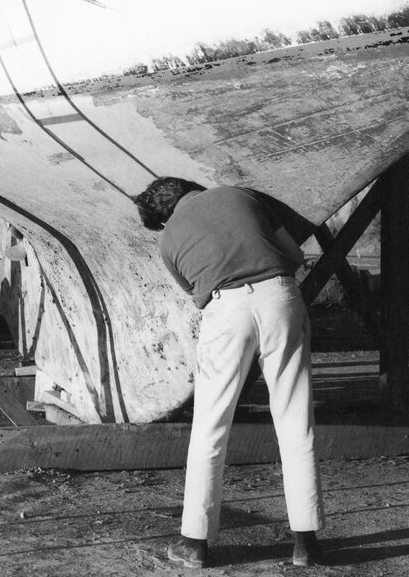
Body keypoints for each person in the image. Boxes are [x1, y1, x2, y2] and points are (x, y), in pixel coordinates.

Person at [134, 177, 324, 569]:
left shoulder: (169, 241)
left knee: (210, 427)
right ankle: (305, 544)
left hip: (225, 310)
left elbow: (195, 291)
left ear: (163, 218)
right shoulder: (241, 196)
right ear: (190, 187)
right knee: (295, 420)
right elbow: (294, 255)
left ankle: (196, 544)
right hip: (280, 296)